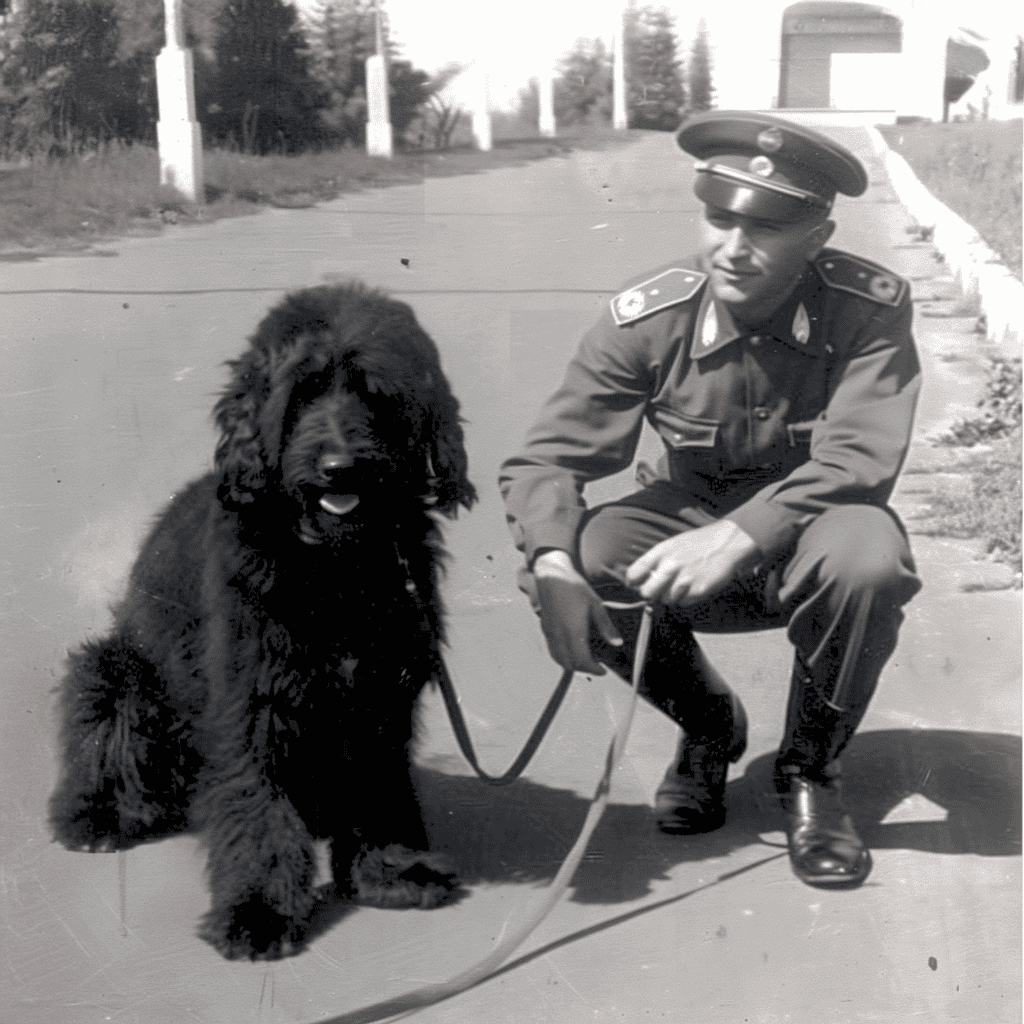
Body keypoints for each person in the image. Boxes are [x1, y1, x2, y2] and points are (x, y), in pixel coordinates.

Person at [498, 111, 922, 890]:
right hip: (686, 536)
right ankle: (708, 729)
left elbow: (862, 455)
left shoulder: (867, 310)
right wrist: (552, 565)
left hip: (812, 541)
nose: (734, 246)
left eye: (765, 228)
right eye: (720, 217)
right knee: (589, 553)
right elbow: (548, 459)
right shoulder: (648, 319)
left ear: (817, 237)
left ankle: (809, 775)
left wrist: (738, 534)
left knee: (870, 555)